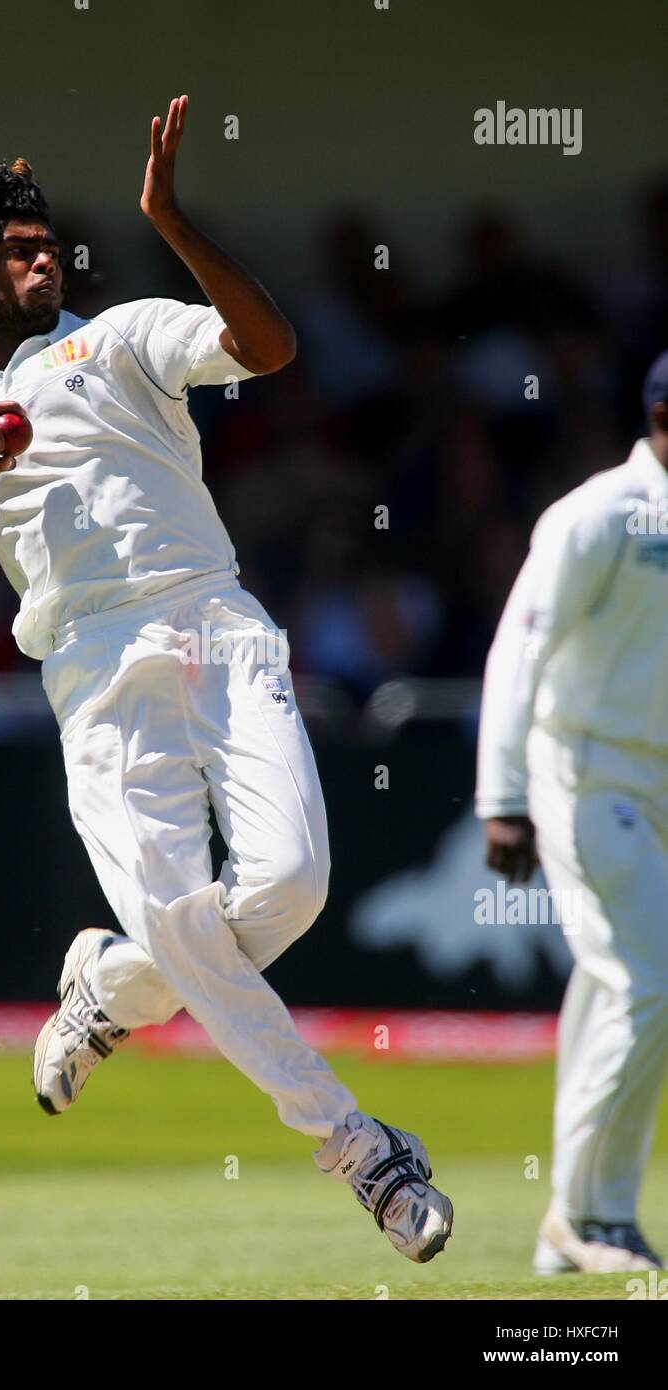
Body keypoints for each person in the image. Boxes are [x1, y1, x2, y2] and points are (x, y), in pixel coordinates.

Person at [0, 96, 452, 1264]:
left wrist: (172, 220)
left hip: (218, 626)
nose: (44, 259)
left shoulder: (119, 334)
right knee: (189, 915)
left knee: (288, 884)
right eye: (18, 249)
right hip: (94, 678)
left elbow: (266, 348)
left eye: (48, 244)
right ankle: (358, 1148)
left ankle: (113, 987)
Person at [476, 352, 668, 1273]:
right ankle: (590, 1218)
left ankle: (575, 1224)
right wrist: (502, 797)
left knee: (613, 985)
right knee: (648, 981)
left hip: (660, 781)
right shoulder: (599, 514)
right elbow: (521, 648)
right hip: (588, 777)